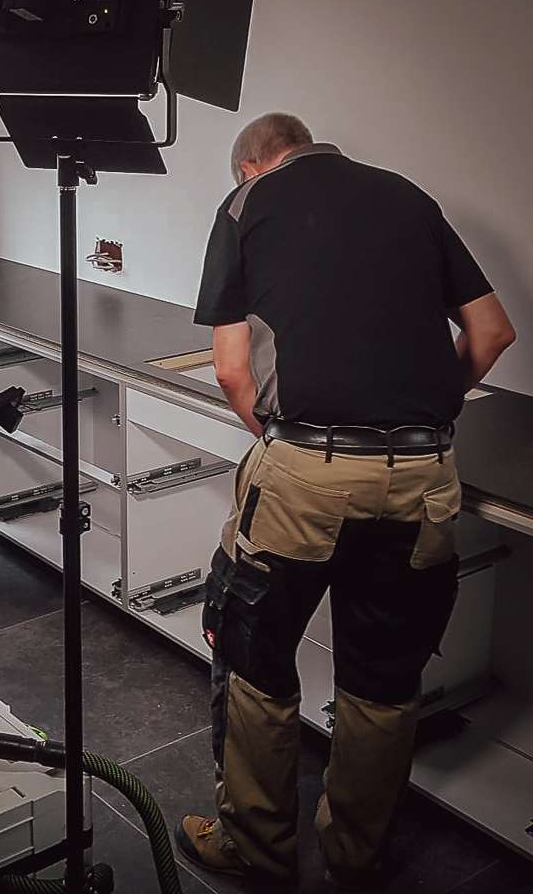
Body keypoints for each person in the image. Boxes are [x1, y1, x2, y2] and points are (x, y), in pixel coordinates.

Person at [178, 113, 516, 889]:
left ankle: (256, 846)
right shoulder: (410, 197)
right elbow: (493, 332)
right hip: (424, 478)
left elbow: (230, 369)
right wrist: (430, 411)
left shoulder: (246, 205)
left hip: (308, 473)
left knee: (254, 657)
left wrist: (284, 441)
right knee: (383, 678)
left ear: (250, 167)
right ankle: (357, 854)